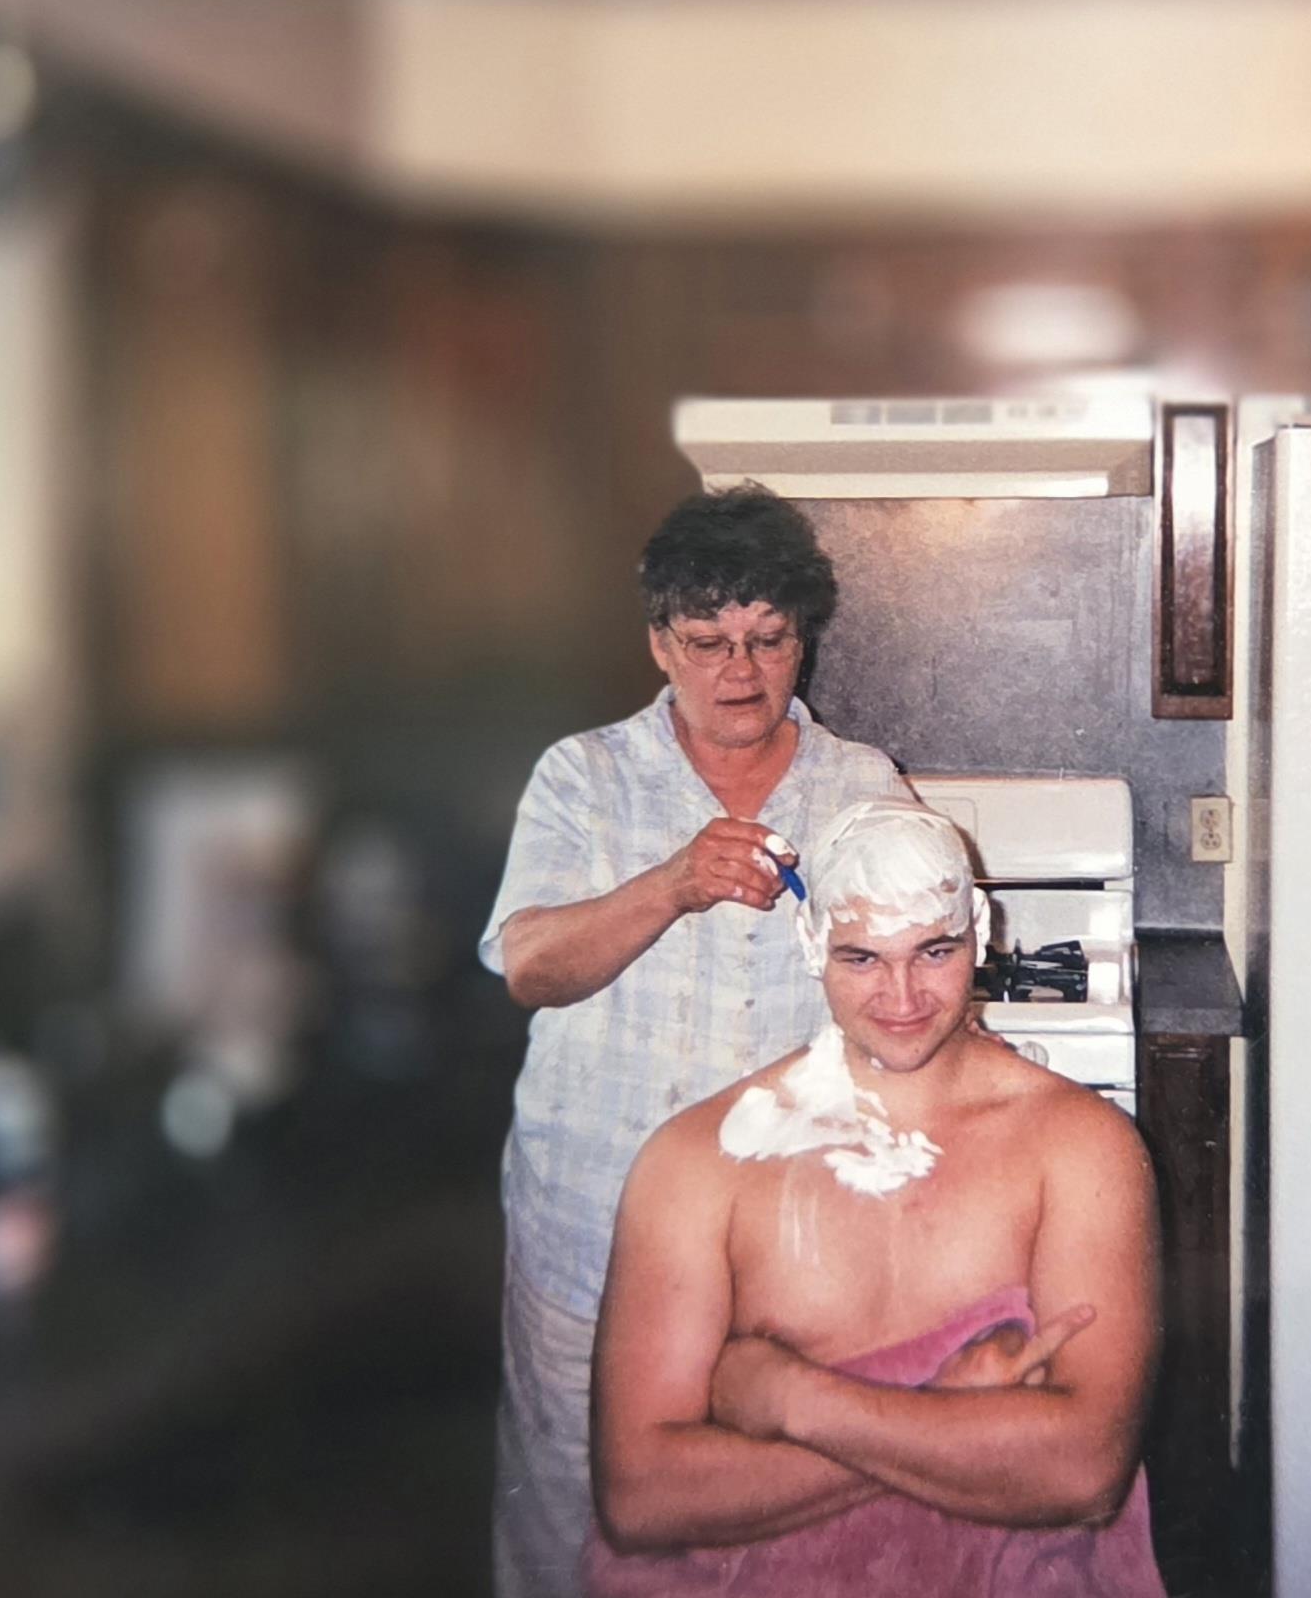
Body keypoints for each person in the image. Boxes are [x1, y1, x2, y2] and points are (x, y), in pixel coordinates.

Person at [480, 486, 909, 1597]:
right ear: (659, 645)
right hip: (590, 1213)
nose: (740, 672)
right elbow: (530, 964)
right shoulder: (582, 776)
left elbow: (914, 1000)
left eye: (769, 640)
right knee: (572, 1507)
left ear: (801, 642)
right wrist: (672, 883)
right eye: (707, 641)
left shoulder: (861, 789)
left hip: (789, 1235)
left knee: (765, 1514)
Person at [583, 800, 1166, 1597]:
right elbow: (641, 1500)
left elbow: (1084, 1471)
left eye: (934, 950)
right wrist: (952, 1421)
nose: (903, 996)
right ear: (810, 944)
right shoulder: (696, 1163)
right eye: (861, 958)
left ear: (983, 931)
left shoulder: (1083, 1148)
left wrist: (794, 1399)